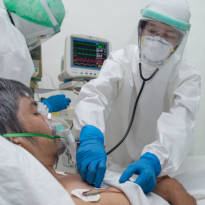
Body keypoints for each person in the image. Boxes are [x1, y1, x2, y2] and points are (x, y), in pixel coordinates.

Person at [0, 78, 196, 205]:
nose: (48, 119)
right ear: (15, 140)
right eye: (36, 112)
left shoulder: (71, 176)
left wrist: (164, 179)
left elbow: (168, 185)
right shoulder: (51, 196)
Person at [73, 0, 201, 194]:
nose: (158, 40)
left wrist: (154, 159)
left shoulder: (186, 77)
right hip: (105, 163)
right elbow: (96, 95)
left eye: (169, 35)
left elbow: (179, 124)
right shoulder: (120, 60)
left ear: (179, 41)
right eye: (153, 31)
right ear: (141, 29)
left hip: (154, 172)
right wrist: (90, 134)